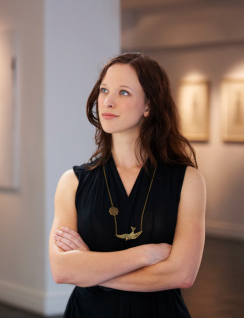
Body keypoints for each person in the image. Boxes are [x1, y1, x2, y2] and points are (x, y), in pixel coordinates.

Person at [49, 52, 206, 317]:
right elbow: (62, 270)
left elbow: (182, 274)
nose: (107, 102)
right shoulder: (72, 182)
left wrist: (91, 270)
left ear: (149, 106)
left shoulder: (187, 181)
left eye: (123, 93)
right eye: (104, 90)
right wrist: (146, 254)